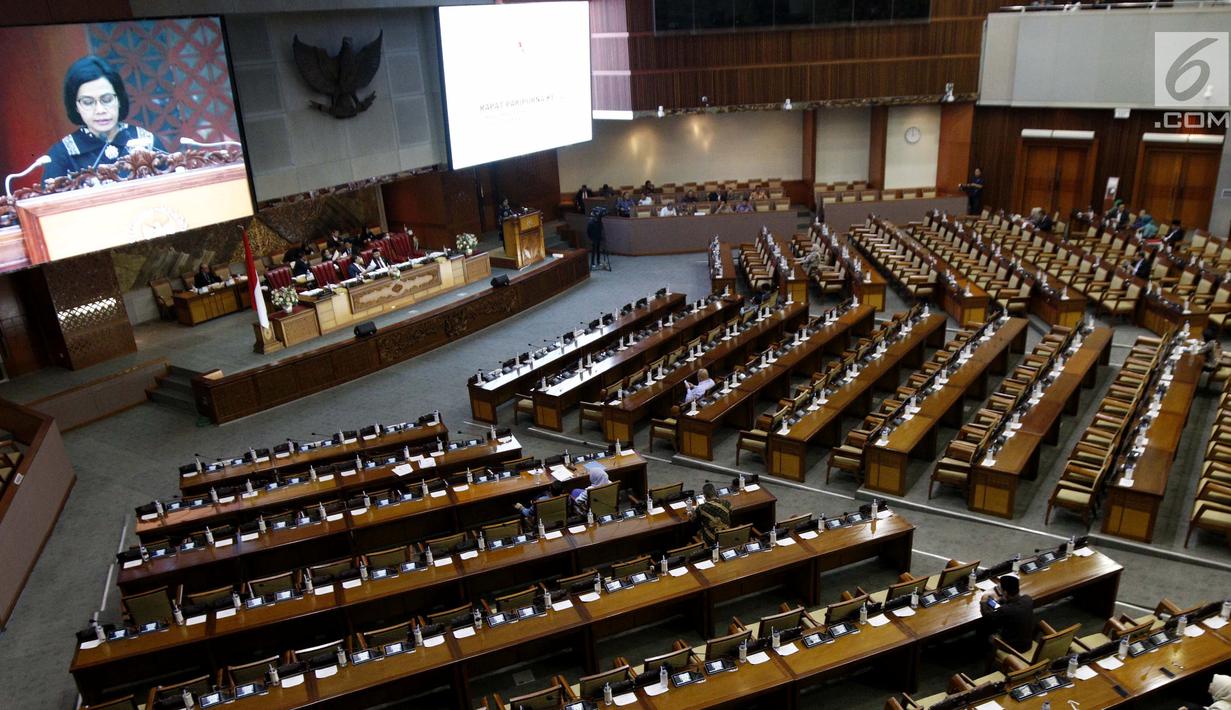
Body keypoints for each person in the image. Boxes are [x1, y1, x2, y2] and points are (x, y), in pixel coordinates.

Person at [43, 56, 167, 181]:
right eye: (87, 102)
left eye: (107, 100)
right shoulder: (62, 155)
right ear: (75, 107)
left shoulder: (146, 141)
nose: (100, 110)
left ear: (119, 99)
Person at [979, 573, 1034, 655]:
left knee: (985, 627)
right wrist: (1002, 600)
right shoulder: (1028, 599)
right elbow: (1013, 603)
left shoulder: (1006, 610)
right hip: (1028, 643)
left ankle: (984, 652)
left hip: (1013, 648)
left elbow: (988, 617)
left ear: (1005, 592)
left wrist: (983, 602)